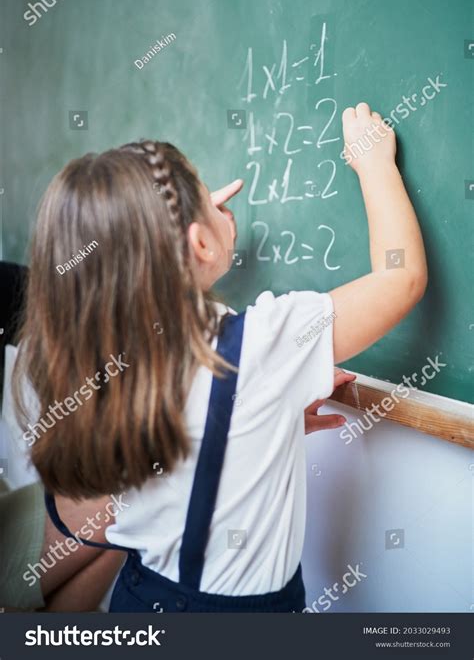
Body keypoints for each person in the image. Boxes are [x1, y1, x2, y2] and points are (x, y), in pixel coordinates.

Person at [12, 102, 427, 611]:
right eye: (205, 200)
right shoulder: (263, 342)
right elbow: (399, 278)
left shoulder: (94, 362)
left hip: (140, 603)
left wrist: (259, 430)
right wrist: (373, 163)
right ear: (200, 246)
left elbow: (183, 450)